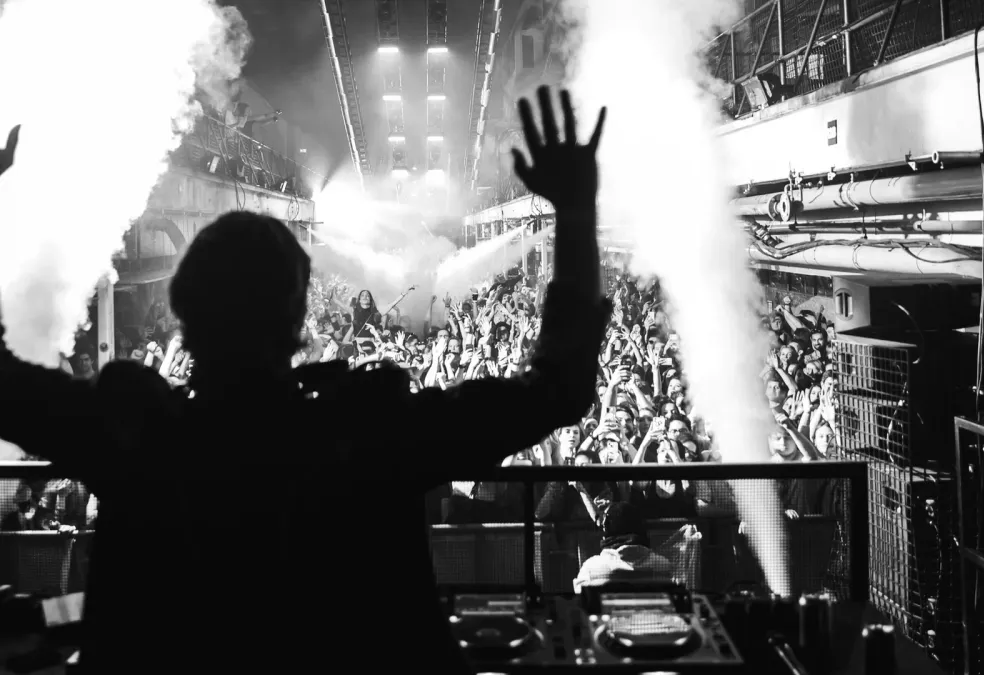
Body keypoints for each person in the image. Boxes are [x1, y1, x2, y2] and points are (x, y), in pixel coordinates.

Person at [0, 87, 608, 674]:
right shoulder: (368, 432)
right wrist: (576, 214)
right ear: (297, 323)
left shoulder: (134, 433)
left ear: (183, 314)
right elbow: (557, 388)